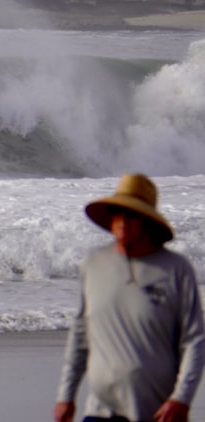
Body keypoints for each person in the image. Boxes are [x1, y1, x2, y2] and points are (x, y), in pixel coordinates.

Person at [54, 173, 205, 422]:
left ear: (147, 221)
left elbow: (194, 340)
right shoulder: (94, 265)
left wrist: (181, 398)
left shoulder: (175, 269)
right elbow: (81, 334)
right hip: (99, 411)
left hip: (157, 412)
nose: (123, 220)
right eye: (118, 213)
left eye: (132, 214)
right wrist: (66, 394)